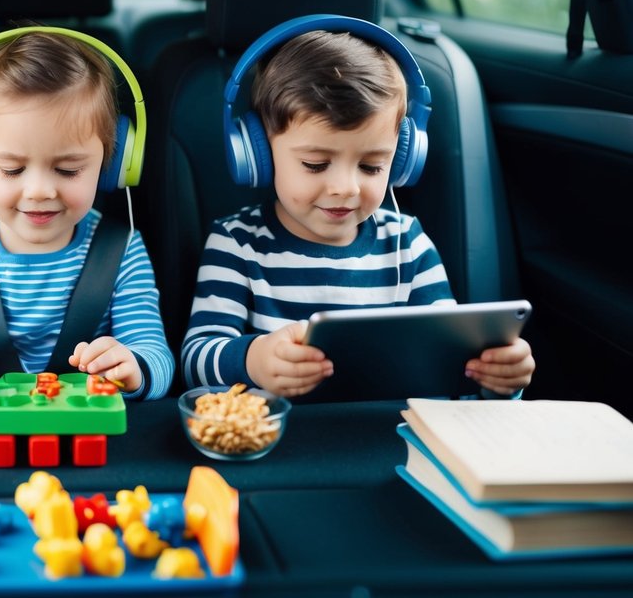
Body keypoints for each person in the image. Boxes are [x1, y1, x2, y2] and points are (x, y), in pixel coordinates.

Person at [182, 21, 534, 398]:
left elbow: (452, 366)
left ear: (401, 160)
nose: (346, 189)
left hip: (391, 437)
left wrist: (495, 378)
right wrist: (254, 359)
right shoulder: (237, 243)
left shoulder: (407, 244)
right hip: (279, 442)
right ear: (260, 155)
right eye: (316, 164)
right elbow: (196, 361)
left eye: (371, 167)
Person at [0, 28, 174, 399]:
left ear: (113, 164)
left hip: (83, 429)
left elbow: (157, 356)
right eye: (12, 170)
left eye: (69, 170)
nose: (40, 191)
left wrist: (134, 368)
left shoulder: (122, 249)